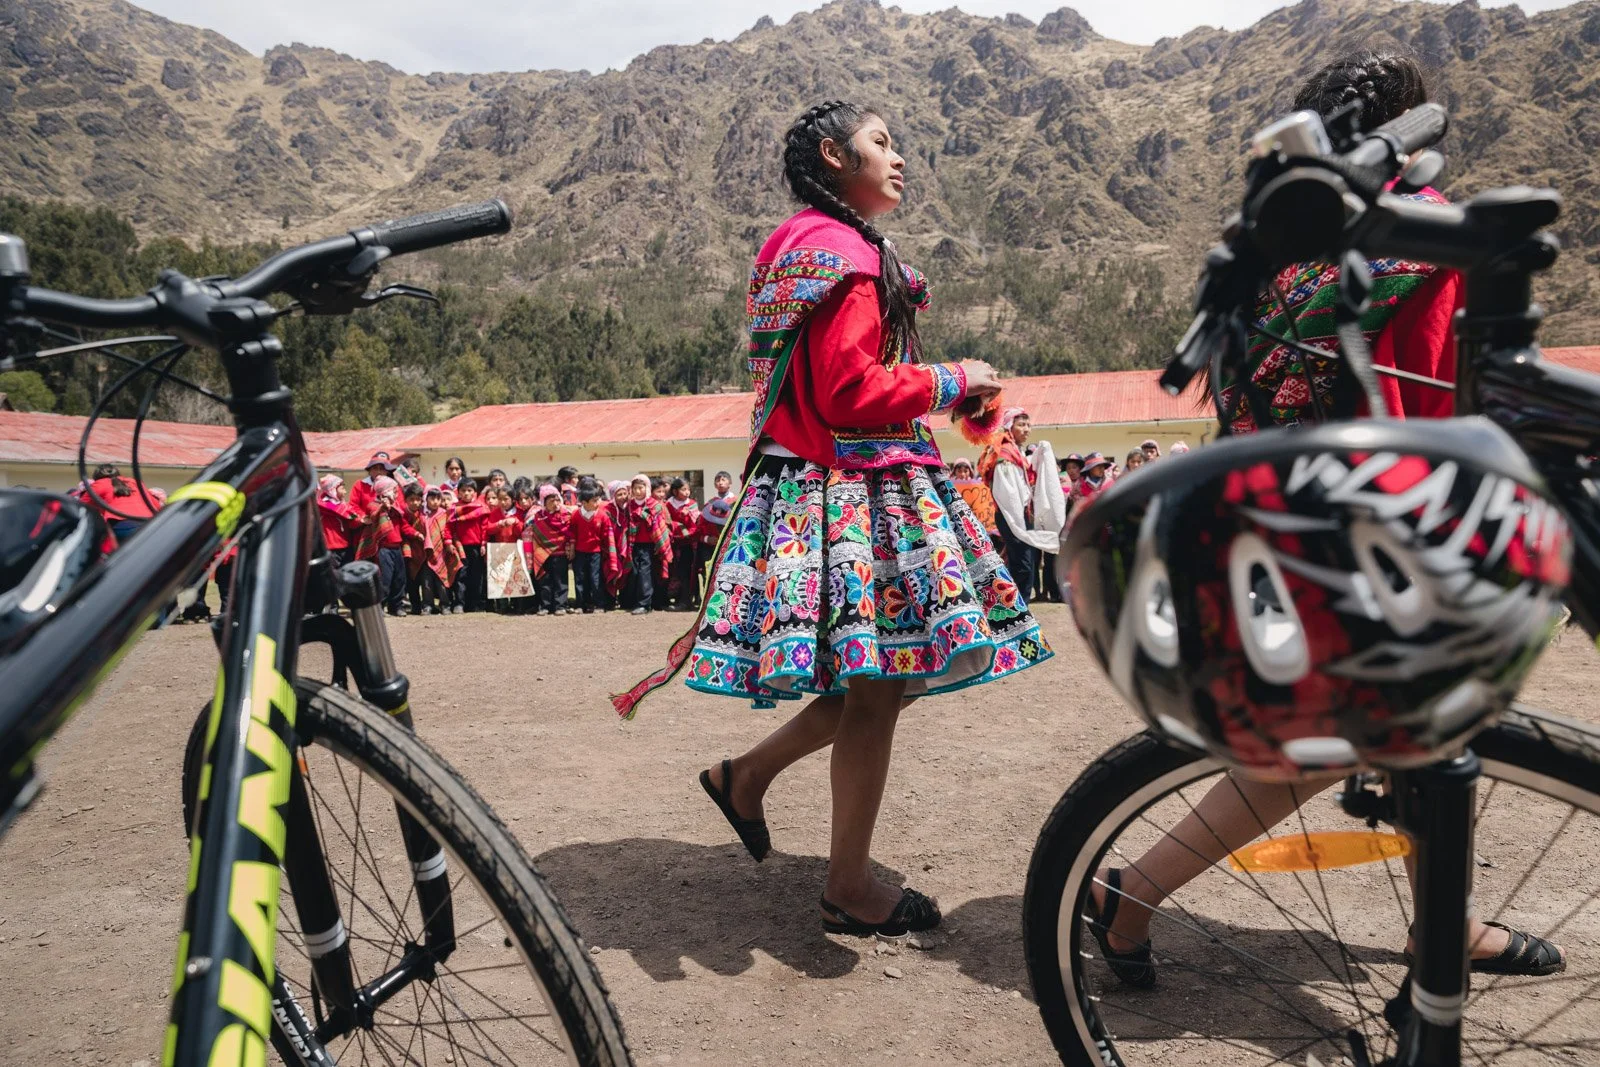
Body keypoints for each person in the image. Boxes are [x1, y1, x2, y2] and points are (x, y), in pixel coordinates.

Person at [1088, 48, 1564, 988]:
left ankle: (1441, 921)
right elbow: (1433, 409)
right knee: (1365, 732)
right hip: (1383, 530)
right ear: (1414, 131)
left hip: (1277, 529)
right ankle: (1131, 893)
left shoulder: (1274, 250)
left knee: (1399, 735)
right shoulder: (1426, 244)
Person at [614, 100, 1051, 937]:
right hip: (848, 488)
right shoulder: (844, 255)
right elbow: (848, 390)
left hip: (819, 476)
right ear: (832, 155)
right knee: (884, 680)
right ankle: (846, 883)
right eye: (881, 143)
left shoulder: (803, 243)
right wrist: (951, 379)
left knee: (881, 679)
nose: (898, 157)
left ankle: (745, 778)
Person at [978, 409, 1061, 604]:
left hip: (1020, 514)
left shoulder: (1016, 453)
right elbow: (1009, 495)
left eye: (1028, 425)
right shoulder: (1005, 455)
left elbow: (1024, 477)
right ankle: (1018, 608)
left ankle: (1019, 607)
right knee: (1022, 564)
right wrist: (1019, 525)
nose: (1026, 429)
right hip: (1012, 514)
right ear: (1009, 426)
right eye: (1021, 425)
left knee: (1027, 562)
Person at [624, 475, 672, 615]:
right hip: (633, 545)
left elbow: (660, 527)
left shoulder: (654, 505)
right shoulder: (629, 506)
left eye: (641, 488)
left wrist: (659, 545)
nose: (638, 491)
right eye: (635, 488)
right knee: (634, 573)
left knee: (645, 574)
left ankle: (645, 604)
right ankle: (635, 601)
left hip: (650, 545)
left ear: (647, 488)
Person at [570, 481, 620, 614]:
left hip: (596, 553)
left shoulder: (602, 516)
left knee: (596, 578)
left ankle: (599, 604)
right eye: (594, 500)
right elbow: (572, 533)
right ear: (584, 503)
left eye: (598, 499)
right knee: (579, 579)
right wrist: (571, 549)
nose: (598, 503)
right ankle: (581, 605)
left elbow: (606, 536)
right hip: (580, 552)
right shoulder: (576, 515)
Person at [529, 484, 576, 615]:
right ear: (544, 502)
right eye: (551, 501)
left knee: (561, 581)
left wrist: (571, 548)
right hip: (544, 554)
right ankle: (545, 606)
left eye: (557, 500)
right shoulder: (538, 516)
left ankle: (560, 606)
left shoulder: (566, 514)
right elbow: (537, 535)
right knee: (545, 581)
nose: (555, 504)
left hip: (560, 553)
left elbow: (570, 533)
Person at [448, 478, 490, 613]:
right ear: (458, 493)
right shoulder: (454, 509)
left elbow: (485, 527)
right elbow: (449, 527)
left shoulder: (481, 508)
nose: (466, 493)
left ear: (475, 493)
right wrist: (449, 542)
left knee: (477, 577)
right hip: (460, 548)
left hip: (477, 548)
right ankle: (460, 603)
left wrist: (484, 543)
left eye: (469, 490)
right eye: (463, 491)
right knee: (461, 576)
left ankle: (476, 604)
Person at [416, 487, 458, 614]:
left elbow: (447, 532)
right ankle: (428, 605)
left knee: (442, 581)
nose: (435, 501)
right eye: (432, 498)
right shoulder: (421, 515)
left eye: (438, 499)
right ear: (426, 499)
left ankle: (445, 605)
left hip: (442, 553)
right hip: (426, 554)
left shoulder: (443, 514)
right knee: (426, 582)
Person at [664, 477, 702, 611]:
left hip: (688, 544)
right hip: (673, 543)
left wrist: (683, 520)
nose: (687, 492)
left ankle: (687, 600)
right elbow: (667, 522)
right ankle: (677, 598)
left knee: (686, 573)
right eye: (683, 489)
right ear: (675, 491)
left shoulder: (691, 504)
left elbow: (695, 523)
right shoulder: (668, 505)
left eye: (688, 489)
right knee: (675, 573)